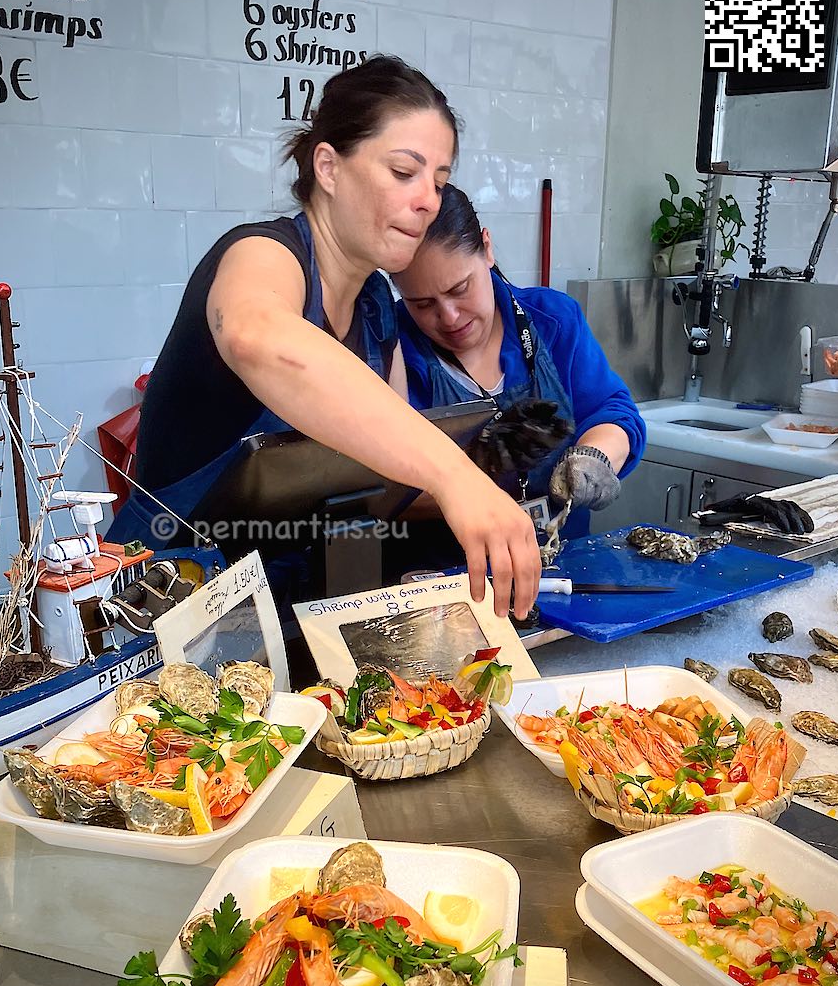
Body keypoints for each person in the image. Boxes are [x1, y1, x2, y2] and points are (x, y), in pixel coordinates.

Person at [107, 57, 539, 618]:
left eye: (439, 182)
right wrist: (454, 476)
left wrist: (500, 501)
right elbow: (255, 335)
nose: (428, 200)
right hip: (170, 594)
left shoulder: (377, 307)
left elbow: (383, 465)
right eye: (404, 172)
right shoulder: (264, 253)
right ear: (329, 168)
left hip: (296, 593)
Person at [392, 183, 646, 548]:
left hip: (566, 566)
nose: (449, 317)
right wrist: (476, 477)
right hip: (449, 580)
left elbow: (612, 412)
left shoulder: (553, 320)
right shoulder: (394, 351)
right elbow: (381, 489)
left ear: (487, 248)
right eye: (422, 304)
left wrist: (594, 457)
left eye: (460, 288)